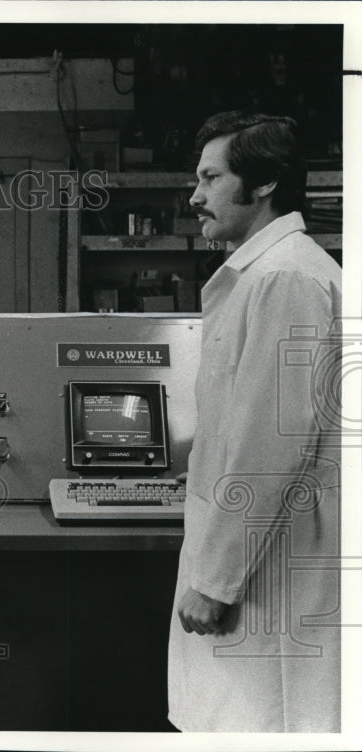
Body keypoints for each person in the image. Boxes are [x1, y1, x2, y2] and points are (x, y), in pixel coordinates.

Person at [168, 111, 341, 732]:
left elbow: (272, 444)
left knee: (259, 724)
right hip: (267, 559)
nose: (196, 196)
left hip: (268, 578)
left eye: (211, 178)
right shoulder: (268, 273)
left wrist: (214, 581)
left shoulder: (284, 278)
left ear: (263, 183)